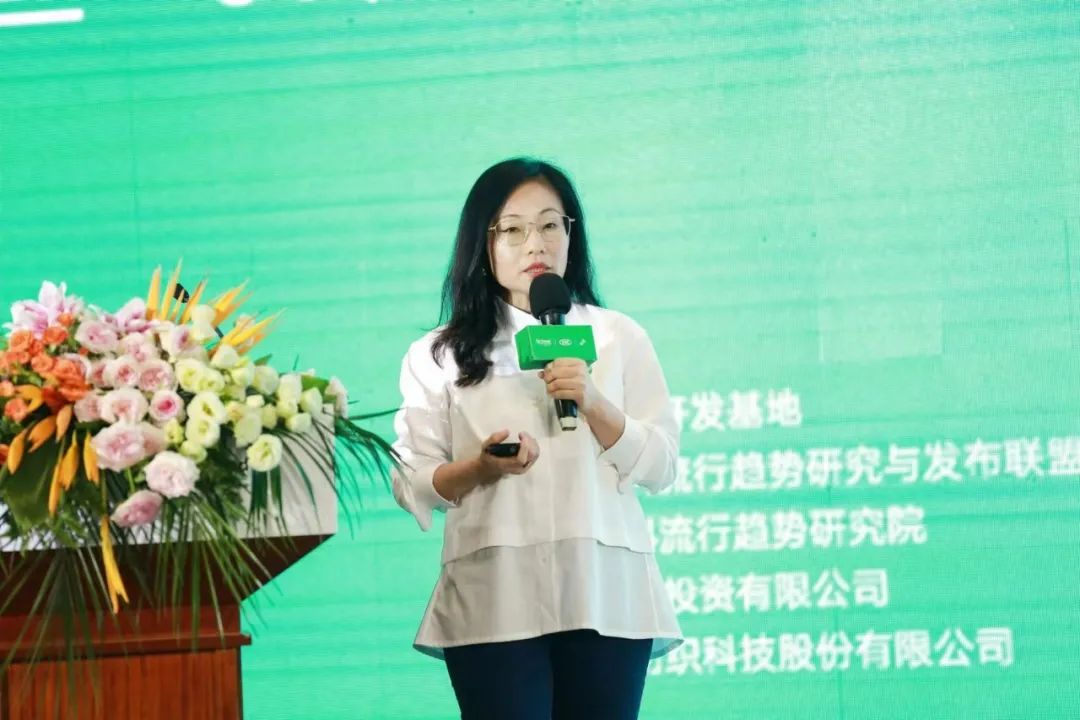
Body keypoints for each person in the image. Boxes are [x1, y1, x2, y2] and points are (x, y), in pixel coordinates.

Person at [391, 157, 682, 720]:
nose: (536, 244)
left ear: (572, 234)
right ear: (483, 242)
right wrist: (481, 466)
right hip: (495, 593)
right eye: (514, 229)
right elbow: (411, 480)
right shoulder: (439, 354)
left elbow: (662, 464)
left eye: (551, 225)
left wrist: (593, 401)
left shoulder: (618, 336)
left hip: (604, 590)